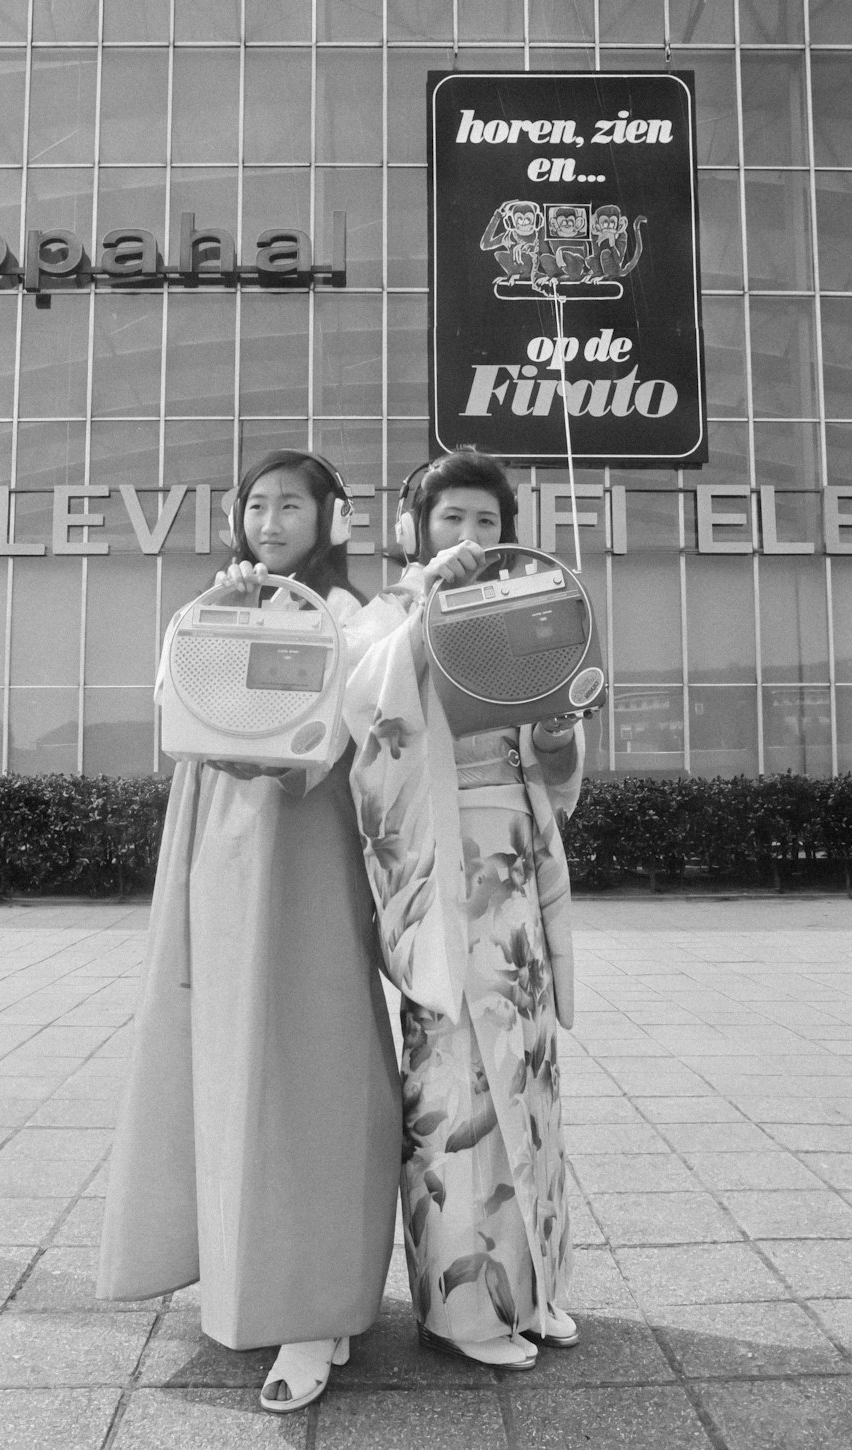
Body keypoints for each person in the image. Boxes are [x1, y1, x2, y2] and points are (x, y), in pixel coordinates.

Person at [97, 449, 402, 1413]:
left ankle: (315, 1306)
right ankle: (242, 1277)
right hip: (218, 846)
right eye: (256, 505)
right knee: (223, 1061)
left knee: (313, 1060)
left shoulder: (352, 614)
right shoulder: (216, 601)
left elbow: (358, 726)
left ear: (330, 519)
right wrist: (229, 615)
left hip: (305, 844)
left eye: (290, 507)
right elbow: (179, 708)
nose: (270, 522)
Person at [342, 449, 583, 1370]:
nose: (471, 539)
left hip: (511, 860)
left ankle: (536, 1289)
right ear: (412, 529)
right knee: (455, 1087)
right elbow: (367, 712)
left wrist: (557, 737)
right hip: (444, 872)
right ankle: (464, 1310)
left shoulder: (520, 612)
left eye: (487, 522)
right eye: (451, 520)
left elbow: (553, 769)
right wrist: (425, 611)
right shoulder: (387, 615)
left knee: (530, 1077)